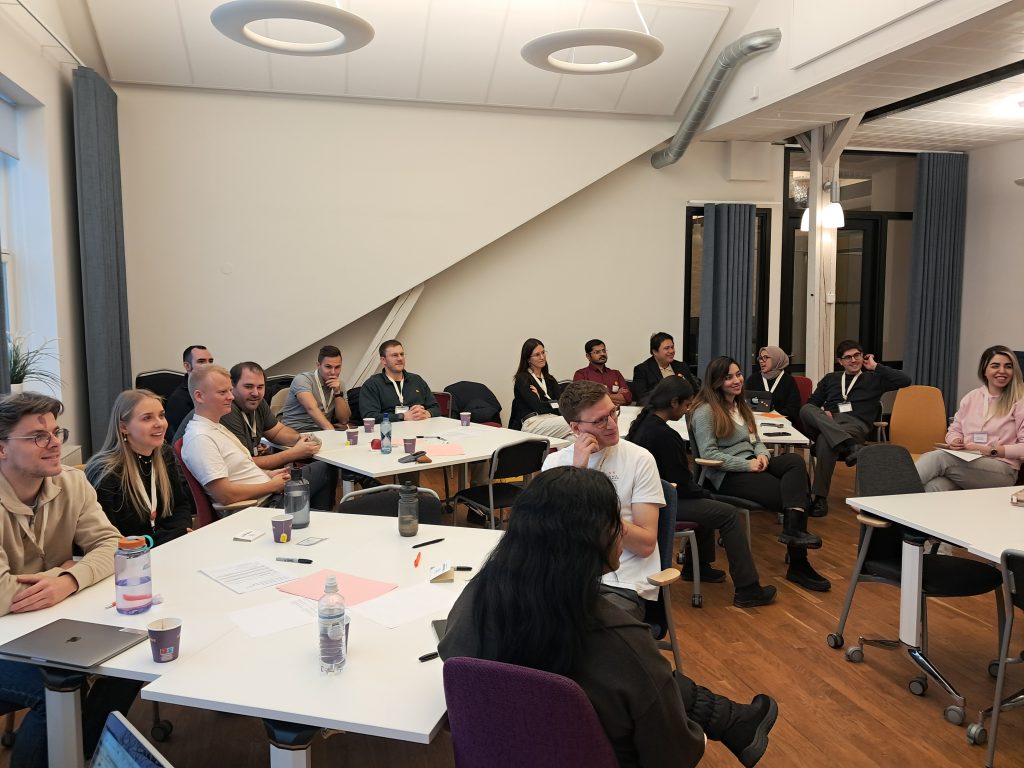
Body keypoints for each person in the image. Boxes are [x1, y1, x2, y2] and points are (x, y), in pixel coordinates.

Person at [439, 465, 779, 768]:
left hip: (501, 754)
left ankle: (733, 720)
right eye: (617, 520)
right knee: (646, 679)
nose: (622, 531)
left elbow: (452, 656)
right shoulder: (622, 638)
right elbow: (676, 754)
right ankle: (733, 721)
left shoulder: (479, 596)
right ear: (594, 537)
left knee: (646, 680)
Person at [0, 393, 129, 767]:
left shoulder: (72, 483)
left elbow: (113, 546)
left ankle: (76, 755)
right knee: (53, 687)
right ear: (3, 449)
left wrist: (68, 579)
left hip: (42, 626)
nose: (55, 443)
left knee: (126, 666)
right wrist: (69, 570)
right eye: (39, 436)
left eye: (56, 432)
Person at [626, 376, 776, 608]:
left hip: (650, 501)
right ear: (674, 402)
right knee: (727, 514)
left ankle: (700, 567)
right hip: (665, 503)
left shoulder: (644, 426)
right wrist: (703, 493)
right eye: (687, 405)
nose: (688, 410)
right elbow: (681, 484)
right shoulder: (665, 436)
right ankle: (748, 589)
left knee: (708, 502)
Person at [691, 357, 830, 593]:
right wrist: (748, 466)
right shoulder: (705, 411)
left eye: (738, 374)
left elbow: (756, 441)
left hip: (753, 462)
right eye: (729, 377)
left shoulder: (741, 406)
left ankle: (793, 534)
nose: (737, 380)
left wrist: (763, 455)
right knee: (795, 496)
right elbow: (709, 455)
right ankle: (798, 562)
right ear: (716, 382)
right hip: (728, 474)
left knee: (795, 462)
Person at [800, 340, 911, 517]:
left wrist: (876, 366)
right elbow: (812, 404)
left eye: (857, 355)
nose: (853, 360)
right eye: (848, 357)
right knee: (806, 409)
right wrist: (824, 413)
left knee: (824, 441)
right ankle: (850, 445)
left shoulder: (874, 378)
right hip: (830, 422)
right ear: (840, 361)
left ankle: (820, 498)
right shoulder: (831, 379)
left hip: (855, 425)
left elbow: (905, 380)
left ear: (863, 356)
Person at [85, 390, 192, 545]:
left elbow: (180, 505)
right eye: (147, 418)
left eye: (161, 415)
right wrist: (169, 536)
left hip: (167, 548)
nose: (160, 423)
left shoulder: (164, 454)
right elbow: (111, 541)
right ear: (124, 427)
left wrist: (177, 533)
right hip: (127, 559)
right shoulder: (106, 472)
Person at [221, 362, 334, 509]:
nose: (255, 393)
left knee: (323, 468)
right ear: (232, 386)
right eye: (248, 387)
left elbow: (278, 431)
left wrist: (301, 439)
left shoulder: (258, 404)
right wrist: (293, 453)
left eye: (260, 387)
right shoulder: (227, 412)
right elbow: (247, 464)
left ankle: (314, 515)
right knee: (323, 470)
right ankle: (313, 516)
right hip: (256, 495)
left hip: (263, 479)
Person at [180, 365, 291, 512]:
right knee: (320, 472)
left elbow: (239, 470)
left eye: (230, 391)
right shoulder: (200, 438)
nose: (231, 397)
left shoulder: (216, 427)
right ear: (199, 396)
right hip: (260, 508)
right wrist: (272, 485)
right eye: (222, 392)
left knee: (315, 474)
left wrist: (269, 474)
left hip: (269, 498)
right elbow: (225, 495)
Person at [916, 345, 1024, 492]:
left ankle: (890, 495)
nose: (1002, 371)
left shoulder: (1020, 400)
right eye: (995, 366)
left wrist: (988, 450)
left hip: (1002, 469)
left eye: (1008, 366)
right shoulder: (972, 397)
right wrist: (955, 440)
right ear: (984, 370)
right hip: (966, 463)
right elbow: (954, 429)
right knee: (934, 487)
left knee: (939, 458)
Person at [359, 340, 441, 422]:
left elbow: (436, 408)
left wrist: (426, 413)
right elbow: (370, 417)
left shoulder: (416, 380)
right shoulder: (372, 384)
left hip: (420, 428)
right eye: (395, 355)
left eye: (402, 354)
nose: (400, 358)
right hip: (391, 430)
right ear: (383, 360)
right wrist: (402, 416)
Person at [510, 338, 573, 440]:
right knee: (572, 422)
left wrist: (541, 399)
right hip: (532, 423)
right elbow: (538, 408)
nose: (542, 357)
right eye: (537, 355)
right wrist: (550, 403)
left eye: (543, 352)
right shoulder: (523, 379)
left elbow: (562, 407)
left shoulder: (550, 379)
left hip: (552, 420)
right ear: (528, 359)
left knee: (573, 439)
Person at [279, 345, 352, 433]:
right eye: (328, 367)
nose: (333, 372)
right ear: (318, 365)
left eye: (337, 367)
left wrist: (337, 393)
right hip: (296, 430)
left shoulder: (339, 385)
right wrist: (332, 433)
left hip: (322, 431)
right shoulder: (302, 379)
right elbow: (311, 408)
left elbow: (344, 420)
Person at [631, 332, 699, 405]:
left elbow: (695, 391)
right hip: (659, 412)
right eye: (666, 348)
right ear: (655, 352)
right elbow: (642, 399)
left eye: (672, 347)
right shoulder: (642, 370)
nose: (671, 351)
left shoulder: (682, 366)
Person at [164, 344, 214, 438]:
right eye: (201, 361)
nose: (208, 366)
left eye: (210, 361)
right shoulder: (179, 400)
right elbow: (183, 437)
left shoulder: (213, 390)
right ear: (187, 366)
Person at [745, 346, 801, 425]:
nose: (761, 361)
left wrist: (772, 417)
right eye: (760, 358)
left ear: (776, 359)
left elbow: (793, 408)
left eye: (766, 357)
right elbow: (745, 403)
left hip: (781, 423)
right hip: (756, 422)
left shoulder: (789, 381)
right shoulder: (753, 379)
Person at [573, 339, 632, 406]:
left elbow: (628, 398)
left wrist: (599, 396)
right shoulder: (581, 374)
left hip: (617, 413)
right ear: (588, 356)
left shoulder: (616, 373)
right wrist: (616, 396)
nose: (602, 354)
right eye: (597, 352)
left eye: (604, 351)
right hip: (593, 415)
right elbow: (582, 399)